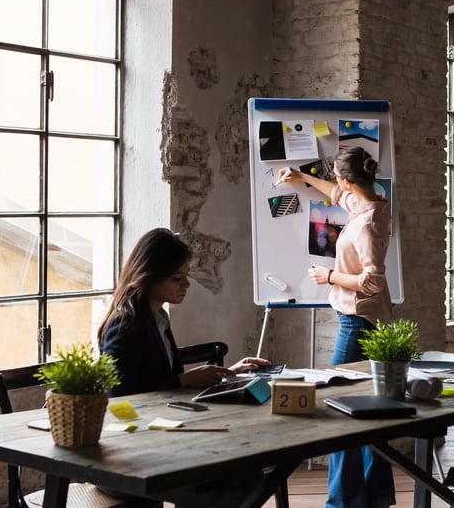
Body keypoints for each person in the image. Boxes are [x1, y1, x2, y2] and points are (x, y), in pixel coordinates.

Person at [278, 146, 395, 508]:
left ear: (347, 178)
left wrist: (328, 276)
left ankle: (342, 503)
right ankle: (373, 497)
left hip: (360, 322)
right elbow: (337, 194)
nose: (337, 187)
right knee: (366, 411)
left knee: (337, 409)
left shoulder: (368, 221)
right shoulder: (370, 201)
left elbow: (373, 281)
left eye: (338, 179)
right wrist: (303, 178)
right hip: (361, 319)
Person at [97, 228, 270, 397]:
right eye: (176, 278)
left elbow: (164, 381)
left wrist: (229, 373)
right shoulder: (124, 325)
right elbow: (117, 395)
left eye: (186, 275)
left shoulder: (159, 318)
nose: (186, 284)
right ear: (149, 277)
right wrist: (183, 380)